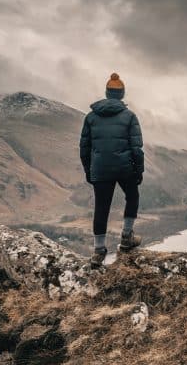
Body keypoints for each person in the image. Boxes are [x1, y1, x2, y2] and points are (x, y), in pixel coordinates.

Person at [80, 73, 144, 267]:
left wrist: (88, 171)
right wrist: (138, 170)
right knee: (132, 196)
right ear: (122, 94)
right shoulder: (130, 116)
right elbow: (136, 148)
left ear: (107, 93)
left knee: (101, 207)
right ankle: (126, 237)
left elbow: (84, 148)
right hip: (125, 168)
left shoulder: (91, 117)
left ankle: (98, 251)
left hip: (100, 169)